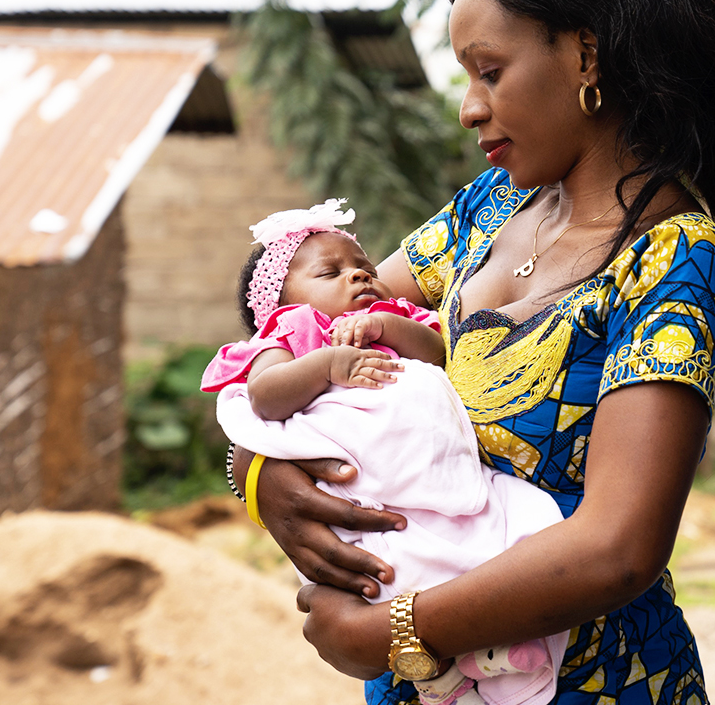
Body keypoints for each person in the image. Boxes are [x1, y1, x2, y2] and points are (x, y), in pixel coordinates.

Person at [232, 0, 715, 705]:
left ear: (586, 55)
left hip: (594, 683)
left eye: (490, 71)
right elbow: (298, 335)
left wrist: (398, 629)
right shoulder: (488, 208)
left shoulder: (675, 259)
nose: (469, 107)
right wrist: (256, 471)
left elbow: (618, 547)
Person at [203, 199, 569, 705]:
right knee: (396, 568)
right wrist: (327, 364)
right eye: (331, 272)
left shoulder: (395, 316)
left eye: (365, 269)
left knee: (508, 530)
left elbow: (437, 353)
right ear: (282, 303)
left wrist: (387, 327)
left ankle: (495, 654)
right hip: (371, 491)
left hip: (441, 476)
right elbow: (265, 396)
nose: (358, 278)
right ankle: (443, 680)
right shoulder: (294, 332)